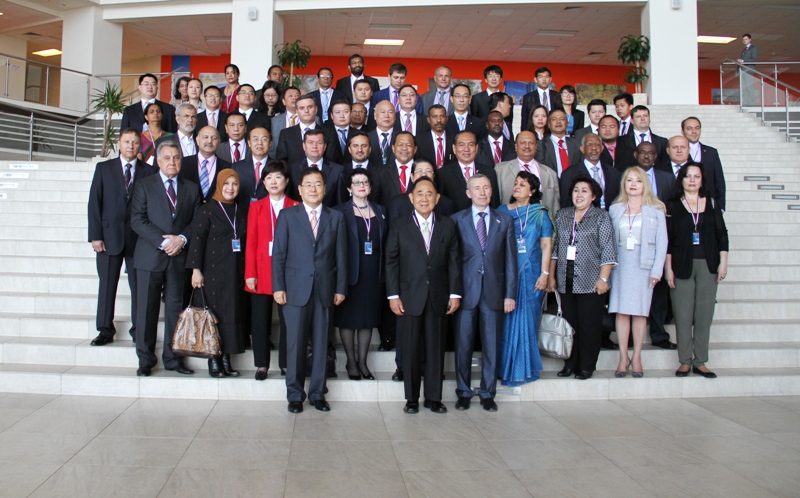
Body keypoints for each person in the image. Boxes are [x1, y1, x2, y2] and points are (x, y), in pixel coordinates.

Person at [272, 167, 348, 413]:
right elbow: (279, 254)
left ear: (325, 189)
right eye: (308, 184)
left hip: (325, 289)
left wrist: (340, 288)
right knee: (295, 344)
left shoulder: (336, 217)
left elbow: (341, 257)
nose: (313, 189)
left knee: (321, 343)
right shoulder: (287, 216)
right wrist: (278, 286)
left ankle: (317, 393)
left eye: (318, 184)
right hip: (295, 289)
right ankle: (295, 395)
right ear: (300, 189)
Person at [385, 177, 462, 414]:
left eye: (429, 194)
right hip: (408, 297)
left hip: (439, 296)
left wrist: (455, 294)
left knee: (435, 348)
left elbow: (454, 262)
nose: (424, 198)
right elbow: (391, 262)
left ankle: (433, 398)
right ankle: (411, 399)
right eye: (419, 193)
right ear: (411, 198)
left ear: (437, 198)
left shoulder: (448, 225)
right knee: (410, 349)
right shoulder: (399, 224)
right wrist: (393, 295)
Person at [131, 141, 201, 377]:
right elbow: (137, 219)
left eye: (177, 158)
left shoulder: (191, 188)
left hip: (179, 258)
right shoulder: (144, 185)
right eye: (168, 158)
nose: (172, 162)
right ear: (158, 161)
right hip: (150, 257)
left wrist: (181, 239)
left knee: (175, 310)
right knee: (146, 310)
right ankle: (145, 359)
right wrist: (164, 242)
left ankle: (173, 359)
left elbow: (196, 221)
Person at [452, 174, 517, 412]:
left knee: (492, 345)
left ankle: (488, 393)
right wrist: (453, 293)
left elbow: (511, 261)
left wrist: (510, 294)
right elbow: (453, 261)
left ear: (492, 191)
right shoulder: (456, 220)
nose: (482, 192)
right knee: (463, 345)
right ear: (468, 193)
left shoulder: (505, 220)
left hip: (494, 292)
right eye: (477, 188)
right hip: (465, 292)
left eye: (486, 188)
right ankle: (463, 392)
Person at [88, 129, 158, 346]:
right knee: (107, 285)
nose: (130, 146)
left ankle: (139, 329)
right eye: (126, 141)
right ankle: (105, 329)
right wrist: (95, 236)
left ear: (140, 146)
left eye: (135, 142)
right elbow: (94, 203)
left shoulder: (149, 171)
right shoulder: (104, 169)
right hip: (108, 237)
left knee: (139, 287)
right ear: (119, 143)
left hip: (139, 239)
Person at [547, 174, 617, 380]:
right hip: (565, 280)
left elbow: (608, 250)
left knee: (589, 326)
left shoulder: (601, 217)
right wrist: (551, 276)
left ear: (593, 196)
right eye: (576, 190)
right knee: (570, 326)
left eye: (584, 191)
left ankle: (586, 366)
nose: (579, 194)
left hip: (591, 281)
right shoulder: (562, 215)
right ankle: (570, 364)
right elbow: (555, 249)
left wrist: (603, 279)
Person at [666, 164, 729, 379]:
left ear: (702, 180)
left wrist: (723, 262)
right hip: (681, 264)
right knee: (683, 316)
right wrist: (668, 269)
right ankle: (685, 361)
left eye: (697, 176)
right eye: (688, 176)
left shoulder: (712, 202)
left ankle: (700, 361)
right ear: (682, 179)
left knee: (704, 315)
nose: (692, 180)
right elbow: (668, 239)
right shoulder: (673, 205)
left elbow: (722, 234)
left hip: (708, 264)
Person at [608, 167, 668, 378]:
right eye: (629, 180)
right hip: (620, 266)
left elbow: (662, 243)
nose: (633, 184)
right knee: (621, 311)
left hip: (644, 266)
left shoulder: (656, 210)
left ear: (645, 184)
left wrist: (657, 271)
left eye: (638, 180)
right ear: (624, 184)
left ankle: (637, 357)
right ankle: (623, 357)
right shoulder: (614, 209)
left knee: (640, 312)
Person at [187, 169, 247, 377]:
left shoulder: (242, 209)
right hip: (211, 272)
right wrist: (196, 270)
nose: (230, 188)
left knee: (231, 315)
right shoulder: (207, 210)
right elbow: (197, 241)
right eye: (226, 183)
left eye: (235, 184)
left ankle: (226, 359)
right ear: (219, 185)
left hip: (235, 272)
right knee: (214, 316)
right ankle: (213, 359)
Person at [497, 171, 553, 385]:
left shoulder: (540, 213)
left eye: (523, 184)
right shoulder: (502, 211)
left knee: (527, 321)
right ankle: (505, 368)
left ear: (532, 191)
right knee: (506, 322)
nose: (517, 187)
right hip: (507, 273)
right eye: (516, 183)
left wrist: (545, 274)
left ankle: (524, 369)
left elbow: (546, 245)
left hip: (532, 274)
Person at [245, 161, 299, 380]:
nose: (273, 182)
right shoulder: (256, 207)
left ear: (286, 181)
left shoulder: (296, 206)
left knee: (289, 321)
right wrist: (250, 273)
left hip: (289, 272)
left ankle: (286, 364)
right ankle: (261, 364)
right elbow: (251, 242)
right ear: (264, 183)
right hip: (261, 270)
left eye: (278, 177)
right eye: (269, 178)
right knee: (260, 320)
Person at [334, 168, 387, 380]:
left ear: (370, 187)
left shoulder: (381, 210)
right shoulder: (340, 211)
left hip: (374, 274)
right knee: (348, 319)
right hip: (350, 273)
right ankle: (351, 361)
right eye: (356, 182)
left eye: (365, 181)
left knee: (367, 319)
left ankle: (363, 362)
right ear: (349, 188)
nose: (361, 185)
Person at [632, 142, 676, 350]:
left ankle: (658, 333)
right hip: (632, 243)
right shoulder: (627, 177)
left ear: (656, 156)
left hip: (657, 239)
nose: (646, 156)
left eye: (651, 153)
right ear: (635, 155)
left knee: (658, 292)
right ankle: (630, 336)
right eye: (642, 152)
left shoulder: (667, 178)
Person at [495, 131, 560, 214]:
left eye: (531, 143)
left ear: (536, 146)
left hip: (541, 220)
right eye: (523, 142)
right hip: (510, 219)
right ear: (516, 147)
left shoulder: (550, 173)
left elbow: (555, 206)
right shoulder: (500, 170)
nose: (527, 146)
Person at [437, 131, 501, 211]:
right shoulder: (443, 174)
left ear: (476, 148)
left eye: (471, 145)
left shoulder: (489, 172)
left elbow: (495, 204)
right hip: (453, 218)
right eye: (462, 145)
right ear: (454, 148)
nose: (466, 149)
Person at [287, 129, 347, 208]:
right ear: (304, 146)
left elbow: (341, 203)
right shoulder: (292, 169)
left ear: (325, 146)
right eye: (310, 142)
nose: (314, 146)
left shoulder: (337, 170)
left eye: (319, 143)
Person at [560, 133, 621, 210]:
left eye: (597, 145)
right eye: (589, 145)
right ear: (582, 149)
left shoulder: (613, 173)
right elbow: (566, 205)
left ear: (602, 148)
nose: (594, 148)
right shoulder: (569, 174)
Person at [387, 159, 456, 220]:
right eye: (419, 170)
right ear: (412, 176)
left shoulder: (446, 204)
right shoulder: (397, 203)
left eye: (428, 171)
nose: (424, 174)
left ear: (434, 176)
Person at [681, 117, 726, 211]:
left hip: (708, 203)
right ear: (682, 131)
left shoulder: (711, 152)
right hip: (683, 203)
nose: (694, 131)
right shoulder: (678, 152)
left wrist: (721, 207)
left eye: (697, 128)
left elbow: (719, 180)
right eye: (689, 128)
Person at [180, 125, 230, 202]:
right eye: (205, 137)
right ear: (197, 140)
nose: (209, 141)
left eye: (214, 138)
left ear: (219, 142)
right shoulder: (183, 164)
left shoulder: (227, 167)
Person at [371, 131, 416, 207]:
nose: (404, 148)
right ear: (393, 148)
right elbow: (375, 203)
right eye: (400, 144)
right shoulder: (380, 172)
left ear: (415, 149)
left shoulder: (422, 171)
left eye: (409, 145)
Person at [536, 109, 583, 177]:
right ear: (549, 124)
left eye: (562, 119)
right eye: (554, 119)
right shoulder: (540, 145)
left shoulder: (576, 144)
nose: (558, 122)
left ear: (567, 124)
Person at [622, 105, 669, 171]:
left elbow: (665, 164)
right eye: (638, 116)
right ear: (632, 121)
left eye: (645, 116)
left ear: (649, 119)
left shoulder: (662, 142)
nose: (643, 119)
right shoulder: (622, 141)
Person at [269, 86, 301, 158]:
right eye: (290, 96)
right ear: (284, 101)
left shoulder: (312, 118)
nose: (294, 98)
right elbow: (273, 145)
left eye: (297, 96)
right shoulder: (274, 121)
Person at [367, 100, 397, 166]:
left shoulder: (400, 137)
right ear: (375, 115)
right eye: (383, 112)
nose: (386, 115)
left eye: (390, 112)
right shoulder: (366, 137)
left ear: (395, 117)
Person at [737, 33, 759, 106]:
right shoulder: (744, 50)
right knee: (744, 88)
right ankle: (746, 103)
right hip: (743, 71)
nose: (744, 41)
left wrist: (743, 61)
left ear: (750, 39)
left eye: (746, 39)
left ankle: (751, 103)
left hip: (749, 70)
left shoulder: (753, 48)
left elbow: (754, 59)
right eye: (743, 40)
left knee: (749, 88)